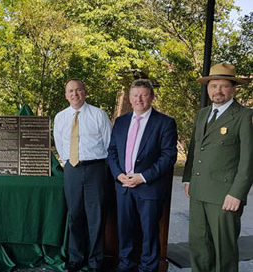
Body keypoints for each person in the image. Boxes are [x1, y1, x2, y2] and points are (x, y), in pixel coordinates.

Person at [183, 63, 253, 272]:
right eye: (213, 86)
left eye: (223, 86)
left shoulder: (244, 116)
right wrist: (188, 179)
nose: (218, 91)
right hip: (198, 191)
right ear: (208, 88)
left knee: (224, 251)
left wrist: (237, 193)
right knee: (199, 246)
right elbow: (194, 149)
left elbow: (248, 159)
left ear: (233, 89)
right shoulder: (202, 114)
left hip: (225, 196)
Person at [107, 79, 177, 272]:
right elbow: (111, 151)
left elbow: (168, 156)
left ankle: (148, 268)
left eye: (144, 95)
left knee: (149, 234)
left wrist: (143, 177)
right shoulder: (121, 122)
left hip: (149, 188)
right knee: (125, 232)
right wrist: (118, 174)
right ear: (129, 98)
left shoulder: (165, 123)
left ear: (152, 97)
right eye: (135, 95)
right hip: (123, 186)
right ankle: (125, 265)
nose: (139, 99)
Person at [53, 78, 112, 272]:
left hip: (96, 169)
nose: (74, 94)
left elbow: (108, 143)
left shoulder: (98, 114)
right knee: (75, 215)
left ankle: (95, 261)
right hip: (72, 169)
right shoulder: (60, 117)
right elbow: (60, 144)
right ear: (66, 95)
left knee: (95, 216)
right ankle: (76, 258)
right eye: (70, 91)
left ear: (85, 92)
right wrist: (69, 161)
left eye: (78, 90)